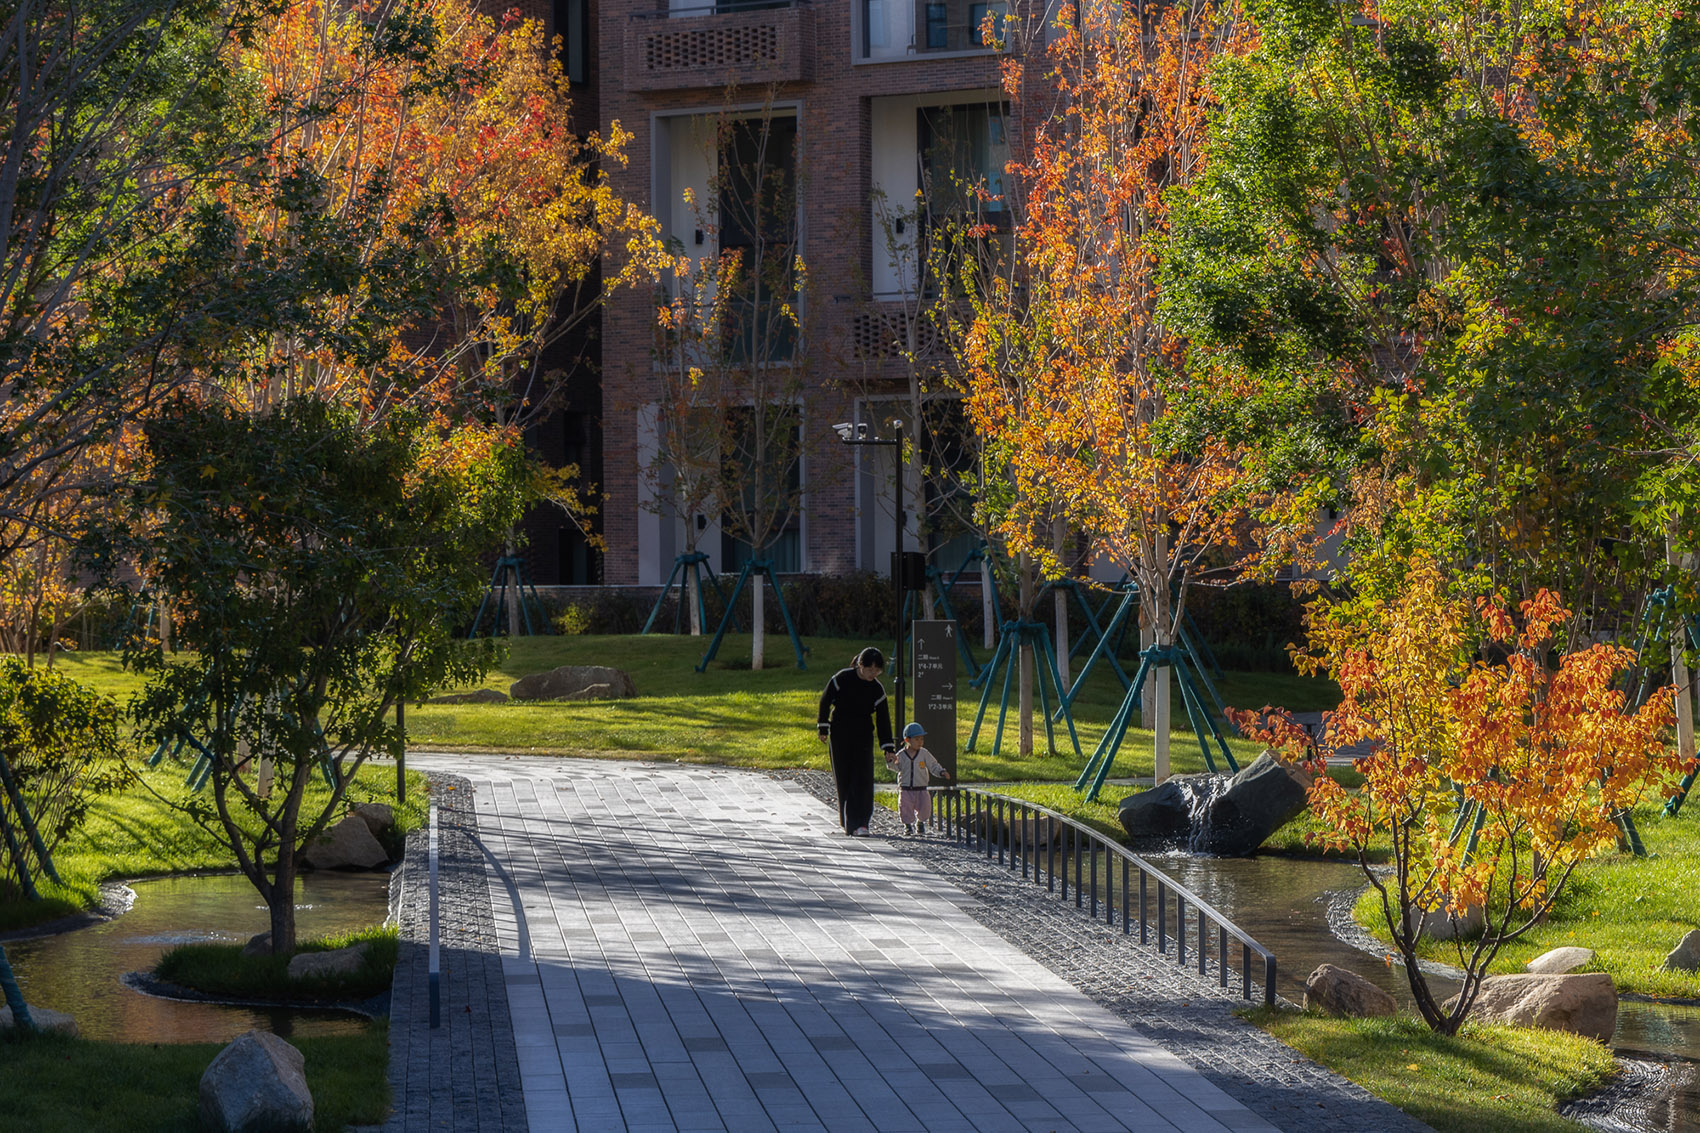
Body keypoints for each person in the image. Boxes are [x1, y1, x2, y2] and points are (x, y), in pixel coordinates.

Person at [817, 646, 895, 836]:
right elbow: (825, 701)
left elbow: (883, 719)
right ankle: (849, 822)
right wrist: (823, 727)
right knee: (844, 776)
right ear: (860, 665)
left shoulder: (877, 689)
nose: (872, 674)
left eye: (877, 670)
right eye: (869, 669)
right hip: (840, 733)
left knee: (863, 777)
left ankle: (862, 823)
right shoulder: (842, 678)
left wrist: (888, 746)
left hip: (863, 735)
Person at [887, 722, 949, 835]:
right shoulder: (901, 755)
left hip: (921, 788)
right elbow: (897, 767)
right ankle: (907, 825)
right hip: (906, 788)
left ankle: (920, 822)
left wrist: (941, 772)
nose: (920, 742)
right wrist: (890, 762)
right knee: (905, 808)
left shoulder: (924, 753)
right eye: (916, 739)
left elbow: (933, 765)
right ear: (907, 740)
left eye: (921, 739)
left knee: (925, 808)